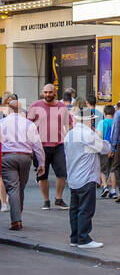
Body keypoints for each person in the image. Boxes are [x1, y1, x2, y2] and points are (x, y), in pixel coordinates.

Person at [64, 108, 112, 249]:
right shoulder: (87, 134)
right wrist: (103, 140)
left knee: (74, 209)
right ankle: (84, 238)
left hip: (73, 176)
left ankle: (75, 237)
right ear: (89, 119)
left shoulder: (69, 134)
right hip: (86, 176)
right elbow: (104, 148)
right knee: (86, 209)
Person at [1, 96, 44, 230]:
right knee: (20, 188)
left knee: (13, 188)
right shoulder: (29, 124)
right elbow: (37, 145)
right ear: (20, 109)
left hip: (8, 158)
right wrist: (41, 163)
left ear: (8, 109)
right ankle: (18, 216)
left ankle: (16, 220)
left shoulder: (2, 123)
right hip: (25, 158)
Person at [28, 82, 72, 210]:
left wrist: (70, 138)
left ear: (55, 93)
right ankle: (46, 201)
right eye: (45, 92)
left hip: (59, 145)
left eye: (50, 92)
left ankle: (58, 199)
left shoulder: (62, 106)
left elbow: (69, 124)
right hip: (40, 146)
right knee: (42, 175)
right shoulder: (35, 106)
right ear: (43, 92)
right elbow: (27, 126)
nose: (47, 94)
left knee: (62, 172)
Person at [97, 104, 116, 198]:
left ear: (104, 113)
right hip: (115, 149)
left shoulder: (102, 123)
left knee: (102, 170)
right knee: (113, 170)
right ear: (114, 113)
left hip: (104, 149)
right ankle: (113, 190)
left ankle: (105, 186)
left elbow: (99, 136)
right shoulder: (117, 122)